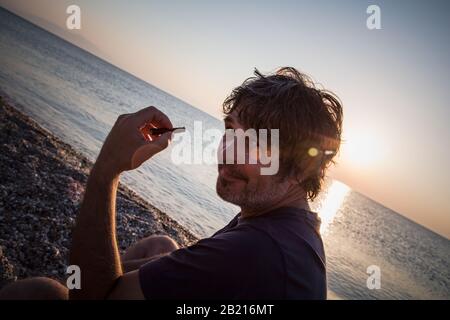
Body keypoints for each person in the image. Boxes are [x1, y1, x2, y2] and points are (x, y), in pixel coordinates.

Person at [0, 67, 342, 300]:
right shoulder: (286, 224)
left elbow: (92, 300)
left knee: (44, 292)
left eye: (257, 144)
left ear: (302, 167)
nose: (226, 153)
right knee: (160, 244)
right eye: (232, 131)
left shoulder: (258, 251)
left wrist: (107, 169)